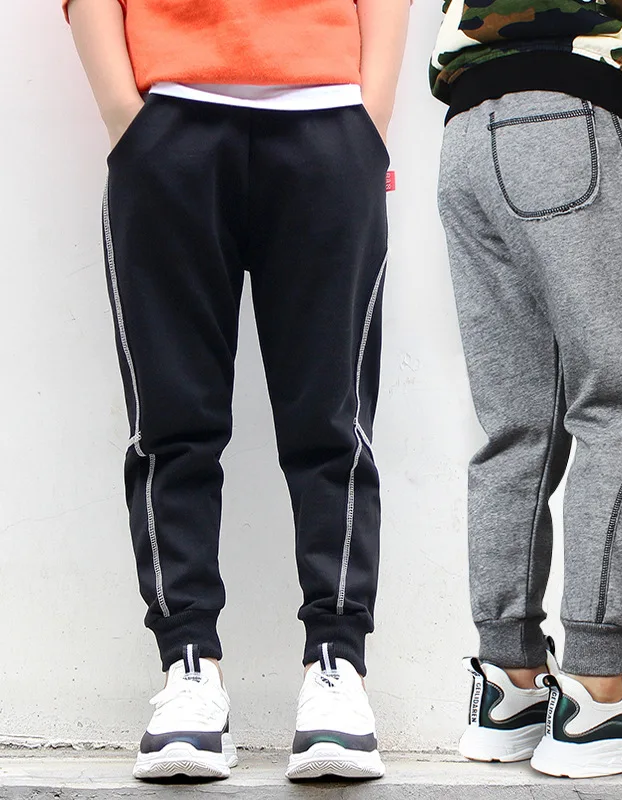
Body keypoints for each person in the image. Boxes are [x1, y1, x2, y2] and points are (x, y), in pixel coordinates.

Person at [64, 0, 409, 782]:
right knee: (171, 425)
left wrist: (370, 122)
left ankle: (337, 667)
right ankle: (188, 668)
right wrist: (127, 119)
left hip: (328, 121)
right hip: (169, 124)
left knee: (332, 423)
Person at [432, 0, 622, 778]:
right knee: (618, 410)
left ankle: (512, 684)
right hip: (569, 115)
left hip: (465, 134)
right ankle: (601, 692)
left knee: (517, 428)